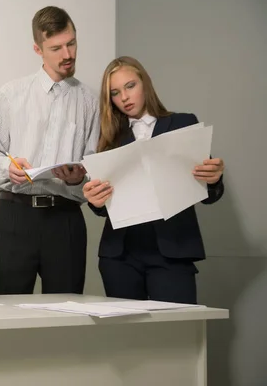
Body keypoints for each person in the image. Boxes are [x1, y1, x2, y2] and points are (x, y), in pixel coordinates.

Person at [0, 6, 100, 295]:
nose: (67, 54)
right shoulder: (12, 93)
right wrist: (8, 167)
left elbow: (94, 167)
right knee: (4, 315)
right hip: (14, 216)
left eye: (71, 43)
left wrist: (77, 179)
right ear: (38, 49)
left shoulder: (91, 101)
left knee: (66, 317)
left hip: (65, 219)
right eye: (56, 48)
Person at [83, 56, 225, 304]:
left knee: (177, 337)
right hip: (120, 256)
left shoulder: (183, 123)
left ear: (144, 83)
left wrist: (213, 179)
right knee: (128, 340)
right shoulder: (109, 139)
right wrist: (95, 202)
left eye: (130, 86)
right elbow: (105, 209)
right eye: (115, 93)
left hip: (172, 250)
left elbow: (209, 194)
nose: (124, 97)